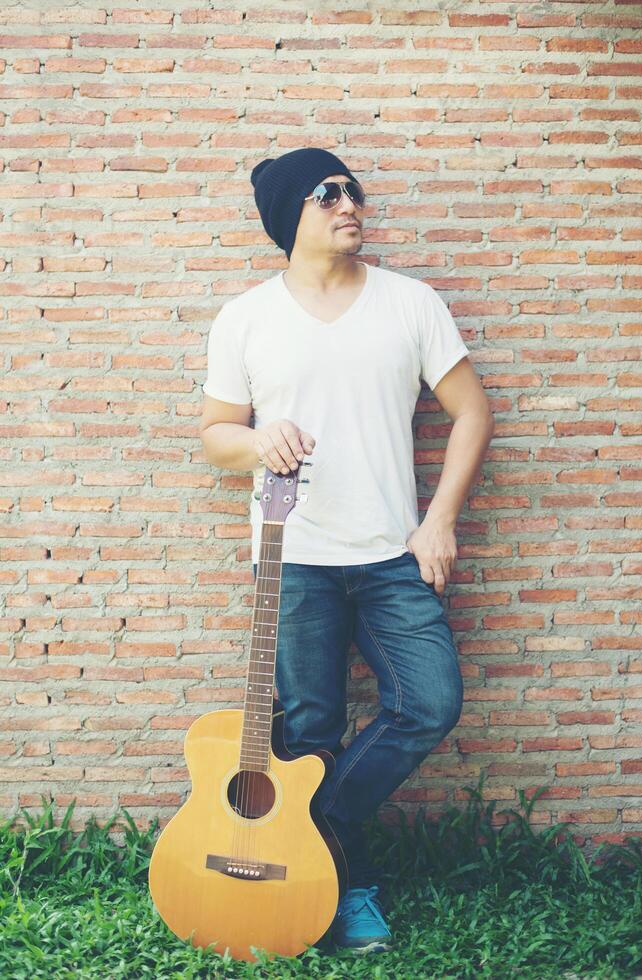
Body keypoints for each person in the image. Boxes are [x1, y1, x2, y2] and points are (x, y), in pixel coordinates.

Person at [200, 147, 495, 955]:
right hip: (293, 560)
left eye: (353, 190)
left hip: (392, 554)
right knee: (308, 731)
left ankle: (317, 825)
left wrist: (439, 519)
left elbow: (471, 412)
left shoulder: (411, 303)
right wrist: (257, 442)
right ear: (289, 217)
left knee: (430, 701)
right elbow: (215, 437)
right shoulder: (247, 317)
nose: (349, 203)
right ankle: (346, 888)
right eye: (327, 193)